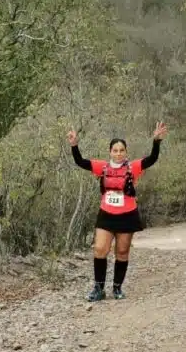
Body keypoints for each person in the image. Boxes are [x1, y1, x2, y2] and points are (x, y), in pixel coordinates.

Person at [68, 122, 167, 301]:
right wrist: (74, 145)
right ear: (110, 152)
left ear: (126, 152)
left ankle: (117, 288)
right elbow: (80, 162)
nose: (118, 153)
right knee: (100, 249)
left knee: (122, 252)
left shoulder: (133, 167)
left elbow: (151, 159)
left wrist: (156, 141)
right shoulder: (102, 167)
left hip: (127, 214)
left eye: (122, 150)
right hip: (106, 213)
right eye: (115, 150)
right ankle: (98, 288)